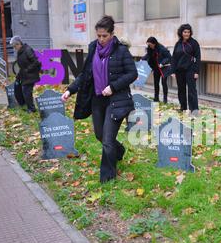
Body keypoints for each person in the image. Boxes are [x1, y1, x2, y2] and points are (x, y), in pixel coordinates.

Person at [61, 15, 138, 183]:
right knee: (100, 135)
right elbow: (85, 75)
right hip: (97, 99)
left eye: (105, 36)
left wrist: (113, 87)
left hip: (116, 100)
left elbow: (133, 73)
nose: (101, 39)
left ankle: (107, 179)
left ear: (112, 34)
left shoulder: (121, 50)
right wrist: (70, 90)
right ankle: (119, 151)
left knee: (108, 140)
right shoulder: (93, 48)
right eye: (99, 35)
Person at [171, 24, 201, 116]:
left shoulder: (194, 43)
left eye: (188, 32)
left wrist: (196, 71)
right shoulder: (178, 44)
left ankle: (194, 110)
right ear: (181, 32)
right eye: (185, 32)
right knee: (181, 90)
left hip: (190, 70)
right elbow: (174, 58)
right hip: (179, 71)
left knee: (192, 91)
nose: (187, 34)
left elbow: (198, 57)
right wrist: (173, 71)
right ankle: (183, 108)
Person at [10, 36, 41, 113]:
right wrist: (19, 75)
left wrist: (27, 70)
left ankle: (31, 109)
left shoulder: (28, 50)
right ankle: (27, 106)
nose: (14, 48)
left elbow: (36, 62)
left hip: (31, 75)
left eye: (15, 46)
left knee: (26, 92)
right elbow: (22, 65)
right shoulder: (20, 52)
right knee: (23, 91)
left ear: (18, 44)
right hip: (25, 75)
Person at [142, 37, 172, 104]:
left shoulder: (162, 48)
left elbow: (169, 57)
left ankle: (165, 99)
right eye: (148, 45)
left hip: (163, 68)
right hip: (156, 68)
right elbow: (148, 55)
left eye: (150, 44)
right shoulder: (150, 49)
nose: (149, 46)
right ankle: (156, 98)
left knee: (164, 83)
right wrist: (142, 59)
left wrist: (162, 63)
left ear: (154, 43)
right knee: (156, 83)